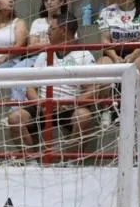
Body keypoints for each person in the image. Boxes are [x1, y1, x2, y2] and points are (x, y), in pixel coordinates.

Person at [6, 15, 97, 149]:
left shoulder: (85, 55)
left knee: (84, 116)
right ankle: (30, 162)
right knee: (14, 118)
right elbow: (30, 88)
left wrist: (68, 104)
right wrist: (42, 103)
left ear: (64, 30)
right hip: (43, 106)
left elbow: (94, 90)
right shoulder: (43, 55)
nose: (48, 32)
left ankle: (71, 163)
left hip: (69, 107)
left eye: (51, 29)